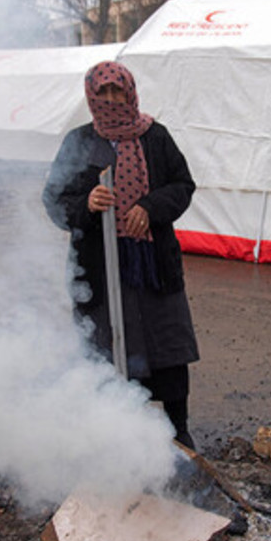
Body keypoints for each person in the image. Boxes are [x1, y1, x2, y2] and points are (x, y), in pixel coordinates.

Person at [43, 61, 200, 449]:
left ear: (130, 93)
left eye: (117, 91)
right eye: (103, 93)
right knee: (105, 348)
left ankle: (178, 429)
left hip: (151, 264)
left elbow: (183, 184)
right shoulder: (78, 143)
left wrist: (150, 206)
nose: (111, 100)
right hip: (98, 267)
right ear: (91, 97)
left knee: (165, 345)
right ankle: (112, 432)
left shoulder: (156, 137)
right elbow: (54, 200)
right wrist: (88, 204)